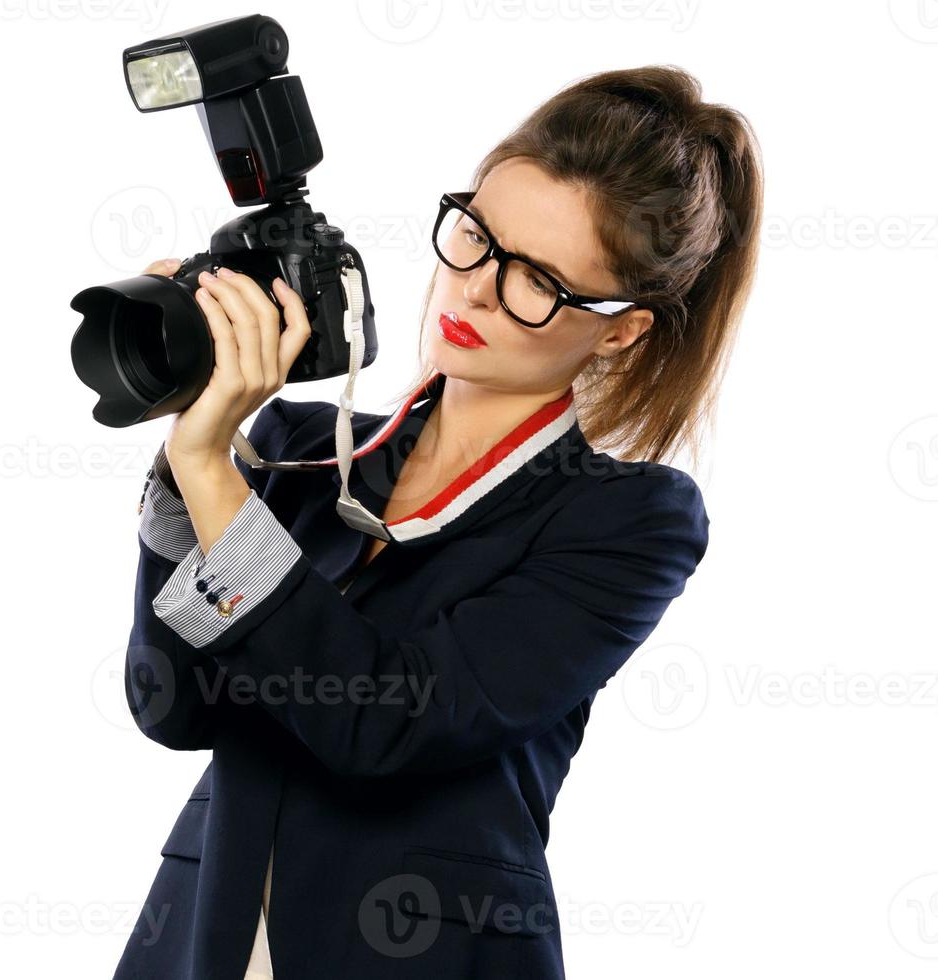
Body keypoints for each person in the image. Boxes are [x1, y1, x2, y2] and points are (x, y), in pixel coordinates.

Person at [112, 64, 762, 980]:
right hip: (204, 942)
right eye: (478, 238)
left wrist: (216, 472)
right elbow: (172, 707)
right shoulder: (303, 447)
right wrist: (191, 466)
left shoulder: (629, 520)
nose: (479, 290)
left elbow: (390, 722)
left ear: (622, 330)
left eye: (539, 281)